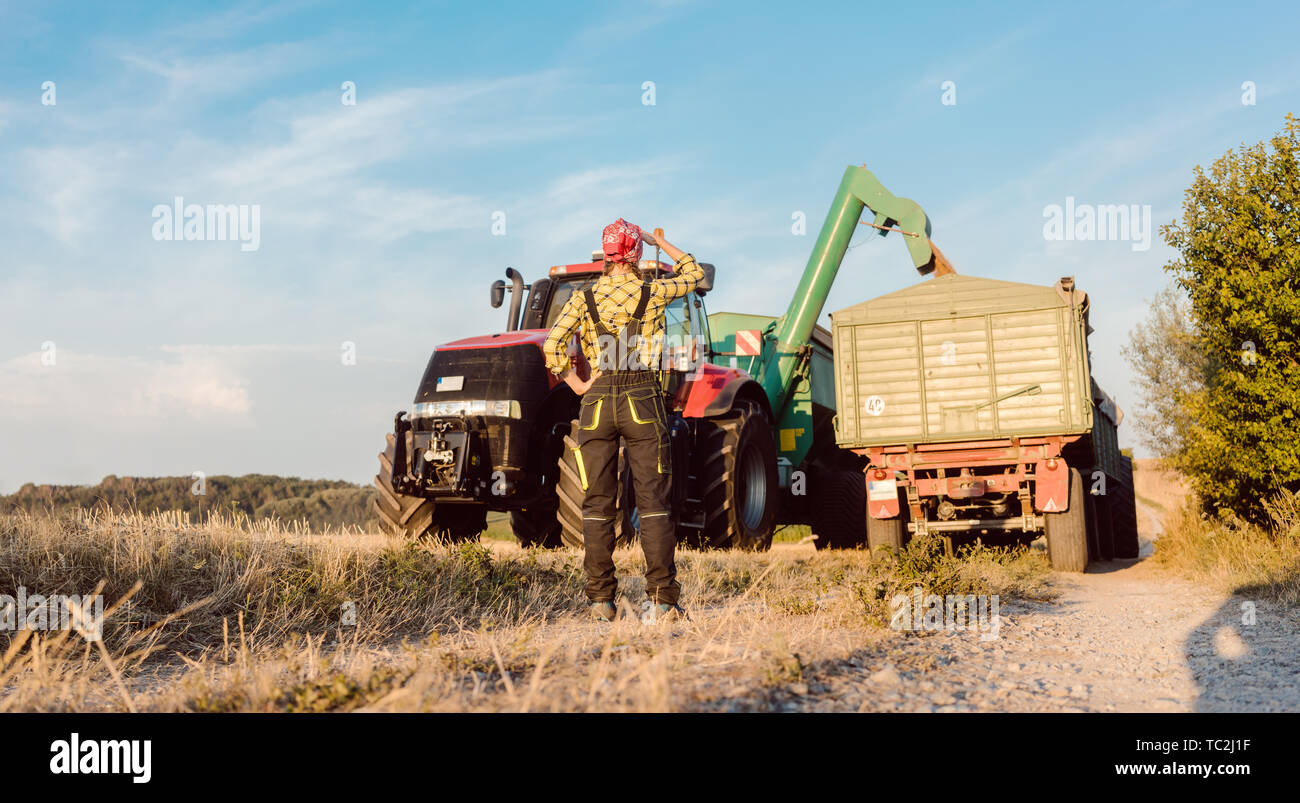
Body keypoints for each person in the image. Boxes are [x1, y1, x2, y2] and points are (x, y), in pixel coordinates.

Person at [542, 218, 705, 623]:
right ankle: (662, 601)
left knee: (596, 503)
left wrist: (578, 386)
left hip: (596, 400)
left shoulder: (584, 298)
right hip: (642, 397)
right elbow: (695, 274)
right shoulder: (652, 291)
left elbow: (552, 345)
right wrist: (661, 243)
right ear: (634, 254)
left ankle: (600, 602)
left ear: (605, 254)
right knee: (653, 502)